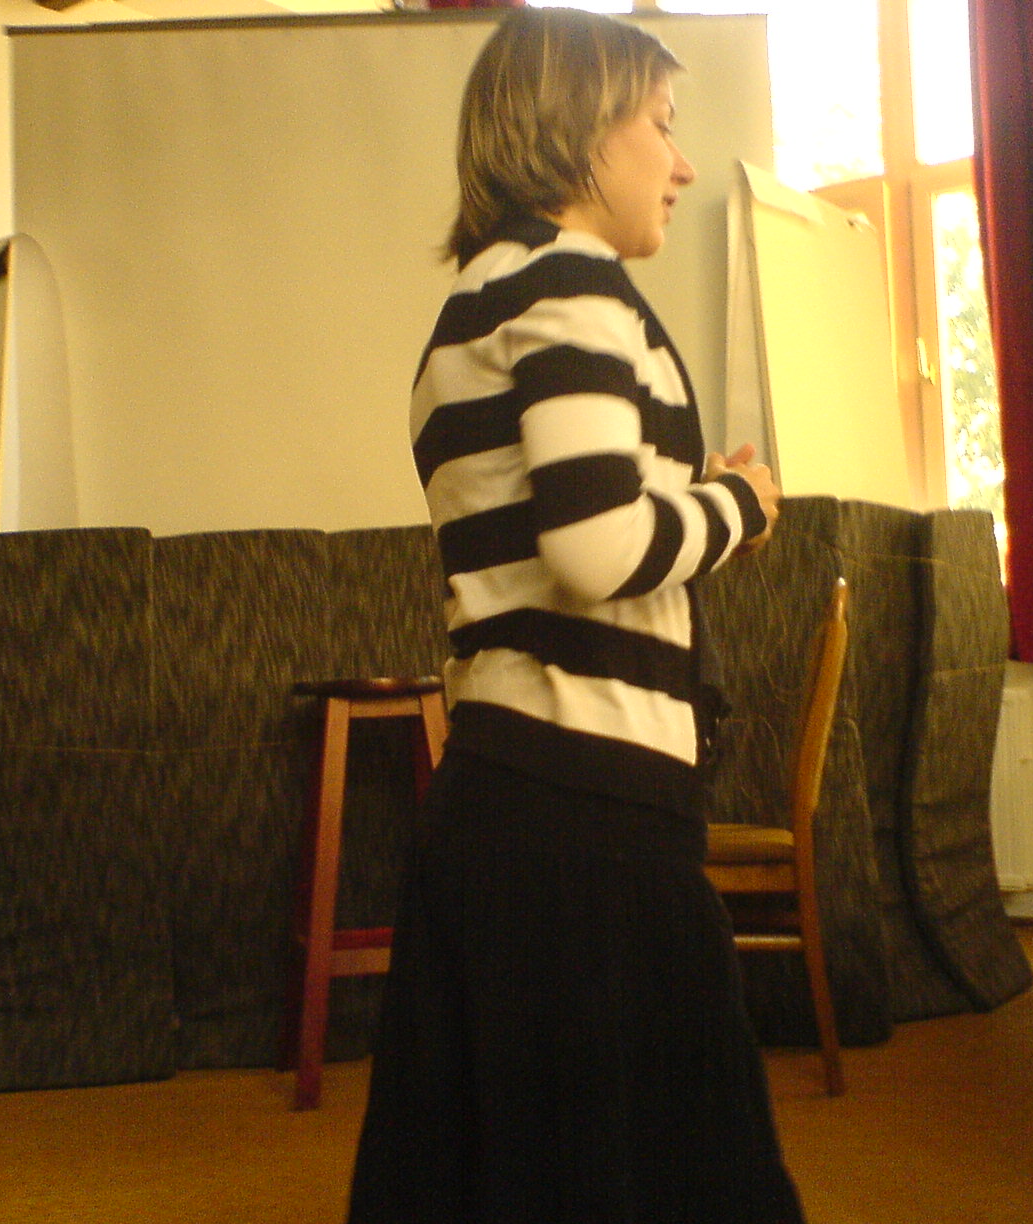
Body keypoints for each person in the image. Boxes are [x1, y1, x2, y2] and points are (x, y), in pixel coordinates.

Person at [346, 9, 803, 1223]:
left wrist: (686, 499)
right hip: (591, 821)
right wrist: (741, 505)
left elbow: (561, 528)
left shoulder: (470, 308)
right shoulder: (574, 285)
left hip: (498, 799)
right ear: (580, 132)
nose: (682, 163)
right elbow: (598, 548)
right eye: (661, 125)